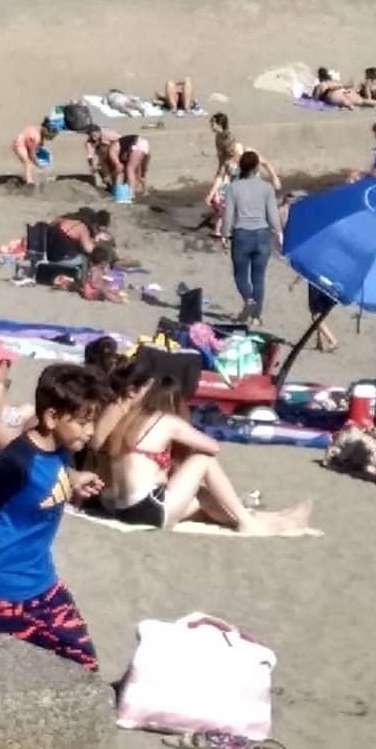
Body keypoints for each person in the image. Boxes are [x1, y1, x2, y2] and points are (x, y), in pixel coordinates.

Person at [0, 363, 112, 671]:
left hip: (44, 585)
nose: (91, 431)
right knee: (1, 677)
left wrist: (73, 478)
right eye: (83, 422)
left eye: (93, 422)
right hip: (1, 593)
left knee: (84, 665)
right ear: (52, 417)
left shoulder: (61, 449)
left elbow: (51, 470)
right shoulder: (14, 462)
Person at [99, 367, 312, 532]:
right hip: (148, 509)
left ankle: (269, 519)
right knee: (204, 459)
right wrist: (184, 433)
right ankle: (247, 521)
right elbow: (213, 446)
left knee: (204, 497)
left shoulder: (129, 421)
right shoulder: (167, 422)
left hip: (123, 510)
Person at [224, 151, 281, 324]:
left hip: (242, 234)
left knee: (240, 274)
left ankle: (248, 300)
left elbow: (228, 214)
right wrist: (278, 232)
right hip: (262, 234)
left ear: (241, 167)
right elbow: (273, 215)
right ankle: (256, 318)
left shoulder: (234, 187)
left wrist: (225, 234)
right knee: (259, 277)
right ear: (257, 167)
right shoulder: (267, 188)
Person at [12, 121, 58, 186]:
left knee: (30, 162)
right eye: (50, 136)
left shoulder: (39, 129)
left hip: (27, 141)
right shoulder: (36, 137)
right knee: (28, 163)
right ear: (45, 130)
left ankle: (27, 176)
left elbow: (39, 144)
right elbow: (32, 153)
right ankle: (29, 182)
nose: (50, 138)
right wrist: (37, 163)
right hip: (19, 145)